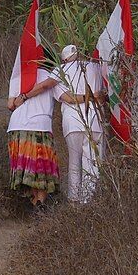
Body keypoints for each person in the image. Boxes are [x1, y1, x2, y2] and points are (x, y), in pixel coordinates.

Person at [24, 44, 105, 203]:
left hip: (73, 122)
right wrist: (94, 97)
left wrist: (24, 96)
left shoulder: (60, 71)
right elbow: (104, 93)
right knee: (93, 164)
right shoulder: (96, 67)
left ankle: (74, 200)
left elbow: (66, 98)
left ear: (64, 59)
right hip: (95, 120)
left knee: (74, 163)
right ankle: (89, 201)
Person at [6, 68, 60, 206]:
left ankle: (32, 201)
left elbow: (10, 104)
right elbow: (62, 95)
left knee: (27, 168)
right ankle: (39, 203)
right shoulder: (52, 74)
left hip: (17, 126)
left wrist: (23, 97)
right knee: (41, 167)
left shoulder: (19, 74)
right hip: (40, 125)